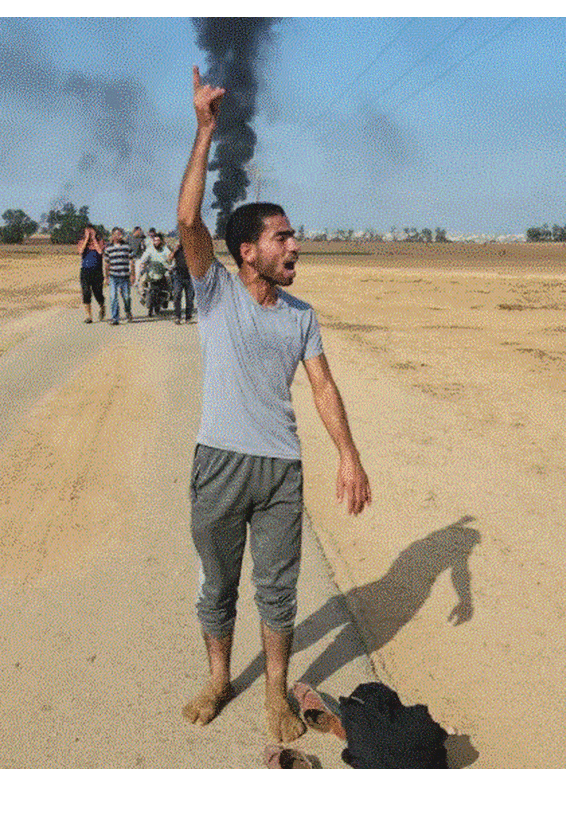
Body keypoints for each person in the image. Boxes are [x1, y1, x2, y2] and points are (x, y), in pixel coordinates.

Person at [177, 66, 372, 743]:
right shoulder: (216, 293)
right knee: (218, 586)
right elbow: (185, 219)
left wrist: (348, 455)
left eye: (293, 235)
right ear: (248, 252)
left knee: (279, 590)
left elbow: (321, 385)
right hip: (221, 464)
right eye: (282, 236)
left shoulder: (301, 314)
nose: (295, 245)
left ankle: (274, 698)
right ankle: (218, 677)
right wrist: (204, 133)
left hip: (281, 470)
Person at [103, 227, 135, 325]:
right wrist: (106, 277)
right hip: (113, 276)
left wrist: (133, 275)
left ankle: (128, 311)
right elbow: (107, 264)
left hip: (125, 276)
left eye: (120, 234)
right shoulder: (108, 248)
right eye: (116, 234)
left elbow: (131, 262)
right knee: (113, 297)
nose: (118, 236)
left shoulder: (127, 247)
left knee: (126, 297)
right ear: (112, 235)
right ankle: (115, 318)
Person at [137, 231, 172, 316]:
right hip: (152, 271)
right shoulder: (149, 249)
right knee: (141, 280)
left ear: (161, 241)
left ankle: (169, 296)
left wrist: (170, 264)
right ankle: (143, 296)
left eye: (158, 240)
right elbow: (143, 258)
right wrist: (142, 263)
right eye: (155, 240)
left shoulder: (165, 249)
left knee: (169, 280)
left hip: (163, 270)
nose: (156, 242)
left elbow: (170, 257)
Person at [77, 224, 106, 324]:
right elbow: (80, 251)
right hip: (85, 271)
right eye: (87, 232)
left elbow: (100, 252)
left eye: (91, 231)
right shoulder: (81, 242)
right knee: (86, 293)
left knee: (98, 293)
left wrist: (94, 239)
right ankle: (88, 316)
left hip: (97, 271)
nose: (89, 233)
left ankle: (102, 306)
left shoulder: (100, 242)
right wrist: (86, 239)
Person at [168, 234, 194, 324]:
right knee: (177, 296)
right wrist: (175, 249)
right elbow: (169, 259)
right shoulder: (177, 250)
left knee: (190, 298)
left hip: (190, 277)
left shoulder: (190, 250)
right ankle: (177, 316)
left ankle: (188, 317)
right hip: (178, 276)